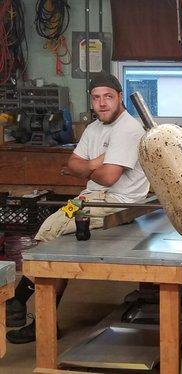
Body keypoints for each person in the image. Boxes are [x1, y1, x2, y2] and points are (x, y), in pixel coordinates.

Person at [6, 72, 150, 344]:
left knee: (55, 236)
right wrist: (95, 164)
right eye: (96, 98)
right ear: (92, 101)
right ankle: (32, 311)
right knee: (48, 228)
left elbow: (109, 178)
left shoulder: (129, 130)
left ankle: (20, 300)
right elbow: (72, 164)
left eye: (108, 97)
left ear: (120, 98)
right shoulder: (95, 129)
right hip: (90, 198)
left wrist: (86, 168)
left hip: (117, 204)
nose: (102, 103)